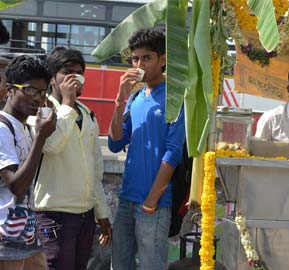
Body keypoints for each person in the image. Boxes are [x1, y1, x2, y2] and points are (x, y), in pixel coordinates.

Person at [108, 28, 185, 270]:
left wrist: (151, 201)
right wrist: (120, 99)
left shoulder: (175, 98)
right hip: (126, 200)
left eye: (147, 58)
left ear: (162, 60)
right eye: (135, 58)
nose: (139, 64)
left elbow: (173, 152)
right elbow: (115, 143)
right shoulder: (135, 97)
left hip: (154, 204)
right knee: (119, 265)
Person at [33, 48, 112, 270]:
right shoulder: (42, 110)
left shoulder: (87, 114)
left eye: (79, 73)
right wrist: (67, 105)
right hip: (54, 214)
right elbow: (51, 146)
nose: (74, 78)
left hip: (84, 216)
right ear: (52, 78)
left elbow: (95, 170)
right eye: (67, 72)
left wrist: (102, 213)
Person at [0, 55, 56, 270]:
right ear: (10, 90)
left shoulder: (25, 128)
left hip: (28, 235)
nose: (38, 98)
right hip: (6, 236)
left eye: (42, 93)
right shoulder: (3, 128)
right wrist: (41, 136)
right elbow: (16, 185)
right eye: (30, 90)